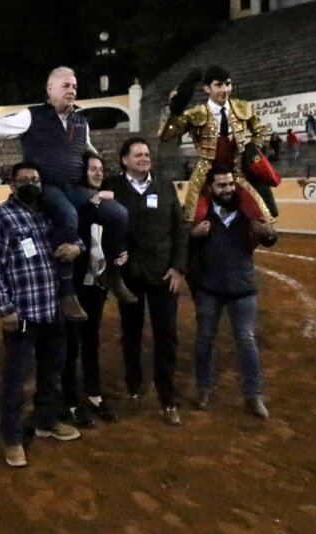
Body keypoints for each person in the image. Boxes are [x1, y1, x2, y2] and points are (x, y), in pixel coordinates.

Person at [0, 67, 136, 318]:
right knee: (67, 215)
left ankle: (114, 276)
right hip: (47, 186)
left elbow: (89, 152)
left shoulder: (81, 122)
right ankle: (66, 290)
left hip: (75, 188)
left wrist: (102, 184)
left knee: (117, 214)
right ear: (50, 89)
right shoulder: (31, 116)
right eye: (66, 86)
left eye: (74, 86)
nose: (72, 90)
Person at [0, 162, 84, 468]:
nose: (31, 184)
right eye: (24, 180)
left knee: (52, 373)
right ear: (12, 185)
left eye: (36, 179)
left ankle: (46, 420)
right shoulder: (1, 216)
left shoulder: (49, 212)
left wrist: (77, 248)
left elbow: (72, 236)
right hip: (22, 313)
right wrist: (5, 307)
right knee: (15, 380)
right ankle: (12, 438)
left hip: (53, 309)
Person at [104, 137, 187, 426]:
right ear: (124, 160)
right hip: (130, 277)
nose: (143, 158)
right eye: (137, 154)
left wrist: (178, 267)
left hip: (164, 275)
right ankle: (134, 384)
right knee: (131, 333)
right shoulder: (112, 187)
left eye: (146, 154)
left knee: (167, 336)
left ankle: (168, 397)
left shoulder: (164, 186)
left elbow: (179, 228)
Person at [188, 166, 278, 421]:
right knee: (205, 339)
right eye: (221, 186)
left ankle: (253, 394)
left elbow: (270, 236)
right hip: (209, 288)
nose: (227, 190)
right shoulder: (201, 217)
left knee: (246, 341)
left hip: (242, 288)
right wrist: (193, 236)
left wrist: (268, 234)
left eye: (230, 185)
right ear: (210, 188)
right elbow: (186, 242)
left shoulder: (249, 213)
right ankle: (203, 389)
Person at [158, 65, 275, 225]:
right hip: (205, 174)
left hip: (236, 172)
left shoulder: (243, 108)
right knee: (194, 219)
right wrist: (175, 111)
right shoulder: (196, 113)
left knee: (263, 217)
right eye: (219, 85)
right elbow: (166, 135)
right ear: (207, 88)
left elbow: (261, 131)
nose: (225, 89)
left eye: (228, 84)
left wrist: (252, 150)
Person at [61, 153, 123, 428]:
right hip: (74, 283)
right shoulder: (76, 200)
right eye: (92, 169)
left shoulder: (106, 203)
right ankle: (71, 402)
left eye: (100, 169)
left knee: (91, 342)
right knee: (71, 344)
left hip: (95, 282)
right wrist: (93, 201)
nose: (98, 173)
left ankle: (94, 395)